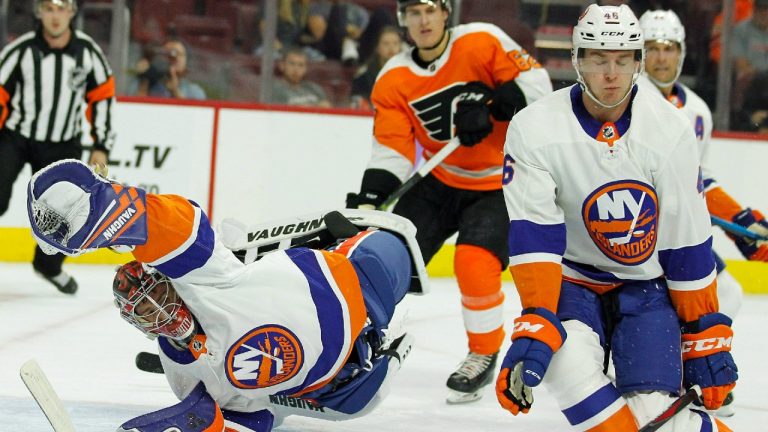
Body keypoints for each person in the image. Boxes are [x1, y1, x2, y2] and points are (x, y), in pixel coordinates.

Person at [26, 159, 426, 432]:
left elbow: (182, 228)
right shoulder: (180, 374)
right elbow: (244, 421)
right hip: (328, 380)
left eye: (155, 293)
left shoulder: (197, 279)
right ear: (139, 327)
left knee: (389, 248)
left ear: (167, 280)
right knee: (357, 402)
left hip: (351, 286)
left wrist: (104, 208)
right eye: (145, 311)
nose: (160, 311)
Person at [494, 5, 736, 431]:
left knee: (653, 416)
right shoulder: (534, 128)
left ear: (637, 63)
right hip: (574, 280)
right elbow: (535, 237)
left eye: (623, 60)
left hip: (646, 285)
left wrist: (702, 332)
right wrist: (536, 319)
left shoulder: (671, 129)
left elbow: (686, 241)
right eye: (598, 59)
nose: (611, 73)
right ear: (576, 60)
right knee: (564, 362)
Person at [347, 0, 552, 404]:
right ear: (404, 21)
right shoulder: (393, 78)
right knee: (384, 257)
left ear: (445, 13)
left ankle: (483, 351)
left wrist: (495, 104)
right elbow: (392, 150)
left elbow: (538, 85)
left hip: (498, 182)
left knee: (474, 262)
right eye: (413, 14)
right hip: (440, 182)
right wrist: (372, 195)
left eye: (429, 11)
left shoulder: (482, 40)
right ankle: (350, 346)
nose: (423, 22)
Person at [639, 8, 768, 417]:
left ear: (683, 53)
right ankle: (661, 371)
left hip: (676, 231)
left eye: (670, 48)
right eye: (653, 48)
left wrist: (740, 221)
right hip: (632, 229)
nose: (662, 57)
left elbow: (700, 179)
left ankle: (687, 369)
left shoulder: (697, 111)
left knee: (727, 292)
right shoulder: (628, 100)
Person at [0, 0, 116, 295]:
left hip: (63, 141)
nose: (55, 16)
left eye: (61, 9)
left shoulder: (87, 53)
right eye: (49, 9)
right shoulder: (21, 51)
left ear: (72, 13)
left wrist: (101, 144)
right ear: (39, 13)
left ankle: (48, 266)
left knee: (67, 209)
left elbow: (102, 97)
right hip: (16, 137)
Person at [127, 39, 206, 100]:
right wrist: (145, 78)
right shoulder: (141, 84)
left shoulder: (194, 91)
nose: (174, 59)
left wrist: (175, 91)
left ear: (186, 61)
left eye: (179, 54)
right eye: (167, 55)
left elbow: (194, 116)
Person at [351, 26, 403, 110]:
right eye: (386, 43)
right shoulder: (364, 76)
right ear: (378, 48)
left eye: (395, 43)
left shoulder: (408, 73)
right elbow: (357, 101)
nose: (391, 48)